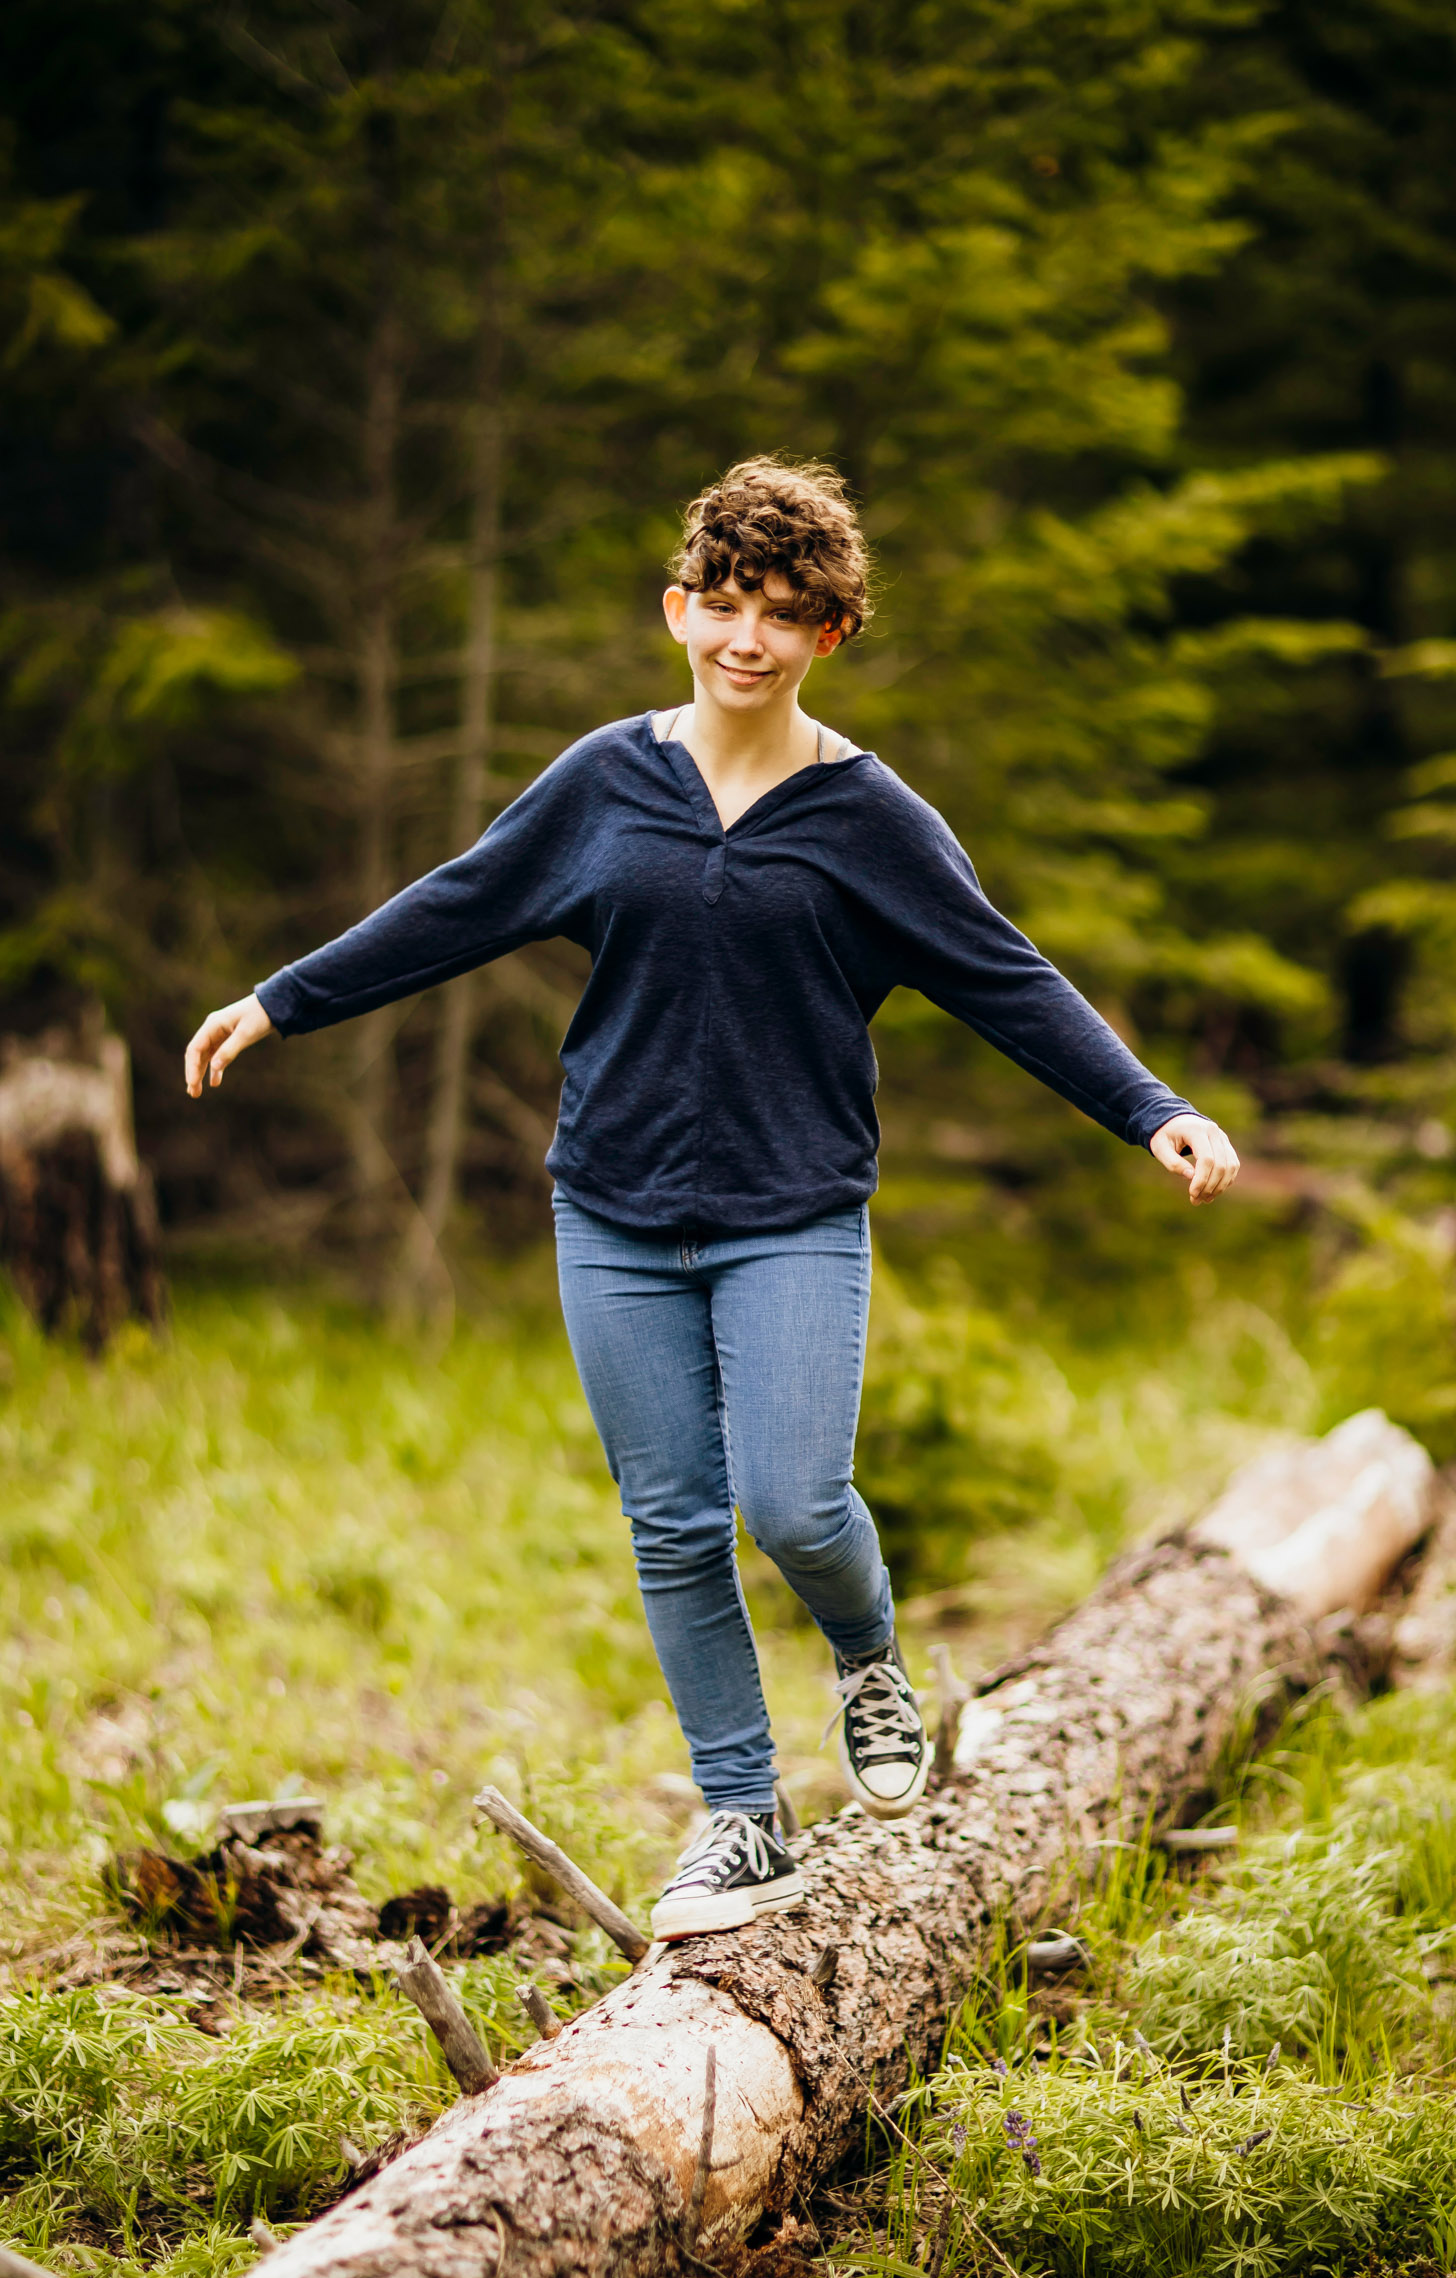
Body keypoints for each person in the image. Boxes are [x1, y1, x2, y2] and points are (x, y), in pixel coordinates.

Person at [184, 456, 1239, 1943]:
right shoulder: (606, 780)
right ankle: (742, 1820)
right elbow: (463, 899)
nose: (749, 637)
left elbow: (1005, 975)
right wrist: (281, 1002)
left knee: (797, 1503)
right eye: (726, 603)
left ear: (831, 636)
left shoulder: (872, 818)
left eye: (787, 613)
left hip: (792, 1211)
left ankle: (870, 1655)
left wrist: (1155, 1108)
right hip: (610, 1211)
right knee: (674, 1527)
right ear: (679, 609)